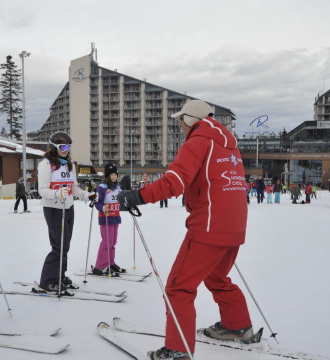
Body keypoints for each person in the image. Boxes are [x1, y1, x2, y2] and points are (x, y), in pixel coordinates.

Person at [117, 100, 258, 360]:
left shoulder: (198, 141)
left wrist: (135, 196)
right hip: (234, 226)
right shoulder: (228, 146)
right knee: (217, 278)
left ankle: (178, 348)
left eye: (180, 120)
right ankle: (237, 326)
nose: (179, 125)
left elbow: (175, 183)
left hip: (209, 226)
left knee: (179, 288)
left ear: (192, 120)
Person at [36, 131, 95, 293]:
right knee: (58, 246)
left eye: (68, 146)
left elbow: (73, 187)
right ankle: (48, 281)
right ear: (54, 146)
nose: (66, 149)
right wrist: (56, 193)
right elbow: (42, 190)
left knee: (65, 246)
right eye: (62, 146)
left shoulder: (69, 164)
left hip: (68, 208)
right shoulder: (46, 165)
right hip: (54, 209)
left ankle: (60, 276)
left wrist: (85, 195)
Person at [92, 163, 125, 276]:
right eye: (111, 174)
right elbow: (97, 202)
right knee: (107, 241)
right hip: (106, 217)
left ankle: (110, 263)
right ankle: (100, 266)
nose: (113, 176)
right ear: (107, 175)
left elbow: (119, 200)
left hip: (115, 216)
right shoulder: (102, 187)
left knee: (113, 242)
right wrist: (102, 207)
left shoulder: (118, 187)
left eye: (115, 174)